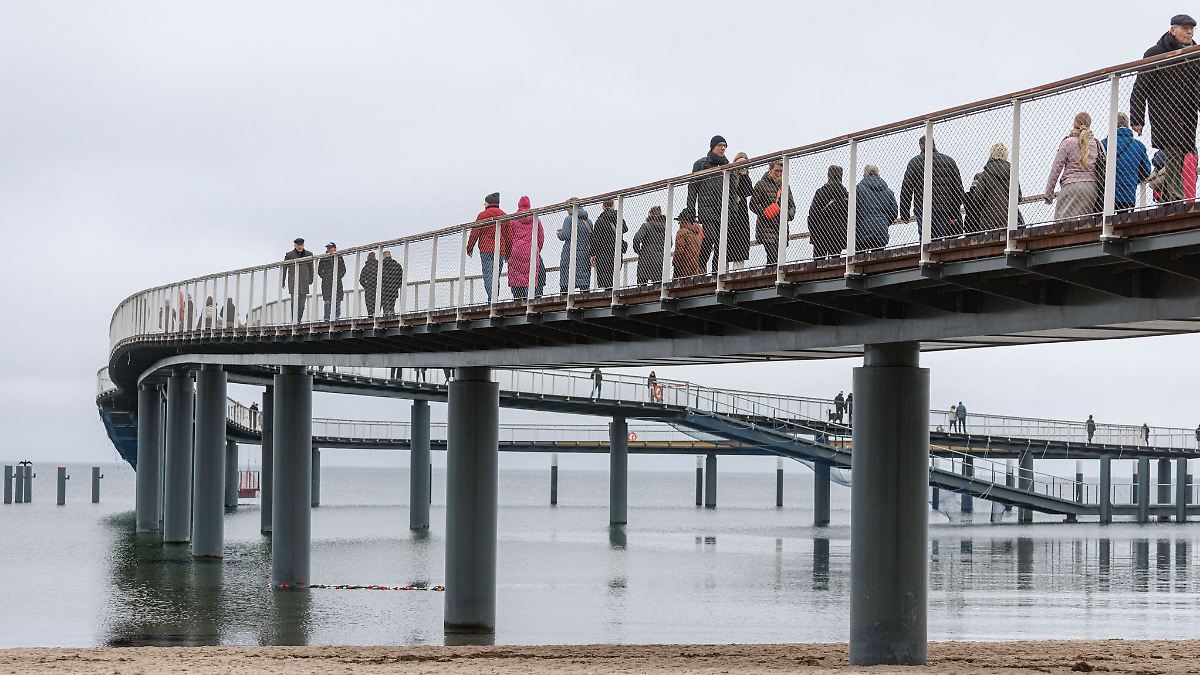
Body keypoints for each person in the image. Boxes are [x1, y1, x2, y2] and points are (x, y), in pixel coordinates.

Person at [1130, 14, 1200, 204]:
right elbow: (1140, 87)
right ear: (1172, 30)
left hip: (1187, 112)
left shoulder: (1195, 53)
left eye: (1192, 28)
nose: (1189, 32)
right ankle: (1176, 197)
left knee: (1183, 150)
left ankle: (1169, 195)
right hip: (1164, 112)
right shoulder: (1156, 52)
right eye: (1185, 28)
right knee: (1174, 149)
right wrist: (1137, 118)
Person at [899, 136, 966, 239]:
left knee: (926, 244)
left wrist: (904, 213)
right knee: (942, 243)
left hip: (923, 210)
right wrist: (954, 212)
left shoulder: (915, 162)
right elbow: (957, 189)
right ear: (934, 144)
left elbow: (906, 189)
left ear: (920, 146)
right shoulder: (949, 161)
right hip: (944, 209)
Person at [1044, 112, 1103, 220]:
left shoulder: (1067, 142)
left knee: (1062, 224)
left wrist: (1049, 194)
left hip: (1071, 186)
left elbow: (1056, 169)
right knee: (1084, 224)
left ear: (1074, 124)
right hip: (1091, 188)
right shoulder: (1096, 143)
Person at [688, 135, 731, 272]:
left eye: (725, 146)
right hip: (706, 207)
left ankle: (716, 272)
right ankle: (701, 265)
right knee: (710, 236)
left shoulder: (727, 164)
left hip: (722, 208)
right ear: (713, 146)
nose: (723, 148)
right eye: (720, 145)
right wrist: (690, 208)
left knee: (721, 242)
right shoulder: (701, 164)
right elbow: (693, 186)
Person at [965, 143, 1024, 232]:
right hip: (1010, 219)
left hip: (989, 220)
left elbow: (978, 197)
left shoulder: (985, 174)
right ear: (1005, 155)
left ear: (991, 154)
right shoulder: (1012, 173)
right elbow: (1018, 197)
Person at [1101, 113, 1153, 212]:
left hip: (1105, 195)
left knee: (1103, 223)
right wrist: (1132, 178)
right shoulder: (1139, 146)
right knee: (1124, 223)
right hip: (1128, 195)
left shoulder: (1104, 144)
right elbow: (1146, 171)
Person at [750, 160, 797, 266]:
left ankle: (770, 279)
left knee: (776, 260)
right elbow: (752, 204)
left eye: (781, 171)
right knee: (773, 256)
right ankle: (771, 279)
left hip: (781, 227)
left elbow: (792, 206)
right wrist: (765, 212)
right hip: (766, 227)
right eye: (776, 171)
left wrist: (788, 215)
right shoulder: (761, 184)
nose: (779, 174)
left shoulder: (785, 186)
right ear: (770, 170)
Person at [467, 192, 511, 302]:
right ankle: (493, 298)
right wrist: (508, 252)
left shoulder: (482, 215)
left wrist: (470, 247)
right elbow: (509, 236)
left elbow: (475, 232)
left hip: (486, 250)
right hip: (500, 250)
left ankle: (492, 299)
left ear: (488, 203)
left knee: (488, 275)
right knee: (496, 277)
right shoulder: (504, 215)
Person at [717, 152, 755, 272]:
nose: (742, 166)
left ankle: (738, 272)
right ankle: (724, 271)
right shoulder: (729, 176)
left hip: (742, 215)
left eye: (744, 163)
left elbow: (748, 191)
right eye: (739, 163)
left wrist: (744, 174)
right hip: (729, 214)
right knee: (727, 244)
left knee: (741, 243)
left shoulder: (745, 177)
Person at [806, 165, 848, 258]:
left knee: (818, 263)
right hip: (838, 234)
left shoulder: (821, 192)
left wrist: (814, 232)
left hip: (821, 234)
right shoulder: (846, 194)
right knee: (836, 262)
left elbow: (812, 214)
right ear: (841, 176)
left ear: (828, 175)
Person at [507, 196, 544, 299]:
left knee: (516, 277)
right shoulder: (536, 219)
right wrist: (536, 249)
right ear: (529, 205)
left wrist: (510, 251)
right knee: (530, 278)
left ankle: (517, 301)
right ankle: (530, 300)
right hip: (531, 251)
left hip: (516, 251)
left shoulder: (513, 220)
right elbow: (541, 237)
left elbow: (509, 237)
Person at [855, 165, 897, 251]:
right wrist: (884, 221)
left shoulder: (858, 189)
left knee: (859, 260)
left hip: (861, 233)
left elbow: (854, 210)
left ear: (864, 175)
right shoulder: (888, 192)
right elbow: (894, 213)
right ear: (878, 175)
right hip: (881, 233)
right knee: (878, 259)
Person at [589, 200, 628, 289]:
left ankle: (609, 296)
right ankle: (615, 295)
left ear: (603, 207)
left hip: (603, 254)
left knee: (606, 281)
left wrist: (592, 254)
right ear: (613, 205)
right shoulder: (618, 218)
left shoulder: (600, 221)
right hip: (616, 252)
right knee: (615, 276)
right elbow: (625, 229)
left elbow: (596, 240)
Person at [558, 206, 593, 293]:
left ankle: (565, 300)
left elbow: (565, 235)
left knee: (567, 277)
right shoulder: (588, 221)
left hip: (570, 252)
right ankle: (585, 296)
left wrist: (559, 233)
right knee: (584, 276)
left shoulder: (569, 219)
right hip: (585, 253)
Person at [633, 206, 667, 284]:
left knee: (641, 285)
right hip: (660, 258)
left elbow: (636, 239)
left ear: (650, 214)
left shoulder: (646, 226)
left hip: (646, 257)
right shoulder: (666, 228)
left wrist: (638, 251)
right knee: (658, 286)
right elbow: (670, 243)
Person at [283, 237, 314, 323]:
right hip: (293, 282)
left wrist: (311, 279)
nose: (300, 247)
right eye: (298, 245)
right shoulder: (289, 255)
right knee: (294, 302)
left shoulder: (309, 254)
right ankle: (294, 321)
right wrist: (283, 280)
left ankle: (298, 320)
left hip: (304, 282)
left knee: (302, 304)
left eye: (301, 245)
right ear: (295, 245)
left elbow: (311, 268)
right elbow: (284, 268)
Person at [317, 242, 347, 321]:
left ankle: (336, 319)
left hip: (337, 283)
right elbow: (319, 271)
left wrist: (337, 277)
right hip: (326, 284)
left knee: (337, 302)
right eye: (328, 248)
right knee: (327, 302)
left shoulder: (339, 257)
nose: (329, 250)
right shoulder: (323, 258)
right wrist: (326, 277)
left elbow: (343, 270)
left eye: (330, 248)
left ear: (335, 248)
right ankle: (326, 319)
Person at [672, 208, 704, 278]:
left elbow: (679, 251)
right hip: (700, 270)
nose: (679, 223)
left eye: (679, 222)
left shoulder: (682, 232)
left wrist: (675, 265)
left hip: (685, 270)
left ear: (683, 221)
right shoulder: (699, 232)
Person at [379, 250, 403, 315]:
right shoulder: (397, 265)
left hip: (384, 290)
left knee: (386, 308)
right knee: (392, 307)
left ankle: (386, 318)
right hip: (394, 289)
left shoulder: (381, 266)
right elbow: (401, 278)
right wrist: (397, 285)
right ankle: (392, 317)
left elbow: (378, 278)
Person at [359, 251, 379, 316]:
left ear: (368, 258)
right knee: (378, 305)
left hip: (369, 290)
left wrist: (366, 286)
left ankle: (370, 316)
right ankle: (377, 317)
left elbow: (361, 280)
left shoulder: (366, 267)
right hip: (378, 288)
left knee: (369, 306)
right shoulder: (379, 265)